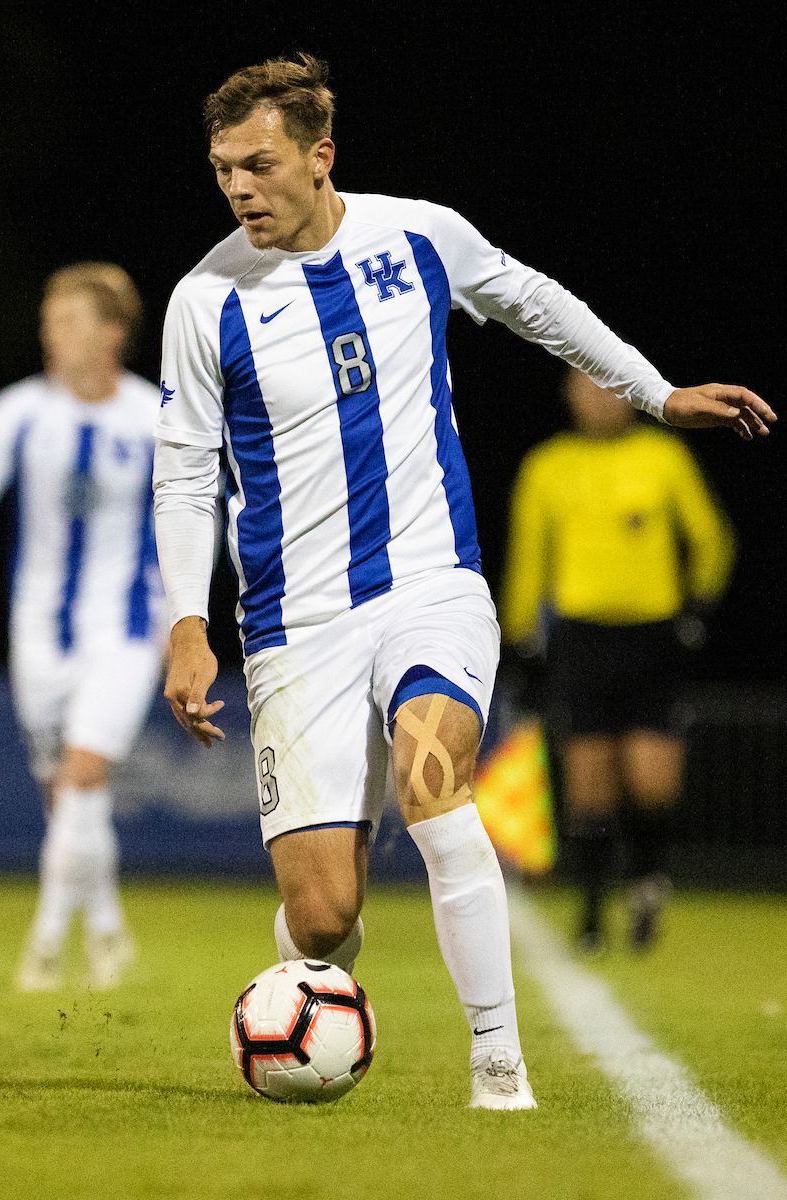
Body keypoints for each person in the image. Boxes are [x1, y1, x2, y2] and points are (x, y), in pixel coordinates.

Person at [151, 53, 774, 1110]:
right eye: (222, 170)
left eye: (258, 165)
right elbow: (182, 473)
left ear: (320, 155)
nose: (238, 188)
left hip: (429, 587)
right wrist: (186, 620)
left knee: (434, 789)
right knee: (322, 920)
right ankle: (307, 985)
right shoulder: (205, 300)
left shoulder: (418, 238)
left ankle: (498, 1064)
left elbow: (535, 303)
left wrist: (657, 393)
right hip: (294, 624)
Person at [500, 367, 736, 952]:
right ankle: (591, 914)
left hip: (652, 637)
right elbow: (528, 558)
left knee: (652, 781)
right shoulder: (546, 465)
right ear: (569, 394)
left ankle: (648, 880)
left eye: (610, 387)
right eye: (588, 387)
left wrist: (697, 607)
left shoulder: (663, 456)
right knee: (589, 783)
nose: (600, 399)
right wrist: (521, 639)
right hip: (581, 640)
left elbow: (712, 540)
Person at [0, 263, 168, 991]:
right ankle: (107, 927)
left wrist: (184, 615)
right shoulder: (19, 413)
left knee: (84, 771)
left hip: (127, 628)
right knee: (67, 797)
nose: (50, 335)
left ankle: (44, 946)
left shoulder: (155, 417)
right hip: (38, 634)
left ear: (112, 333)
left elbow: (199, 517)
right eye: (48, 321)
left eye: (67, 321)